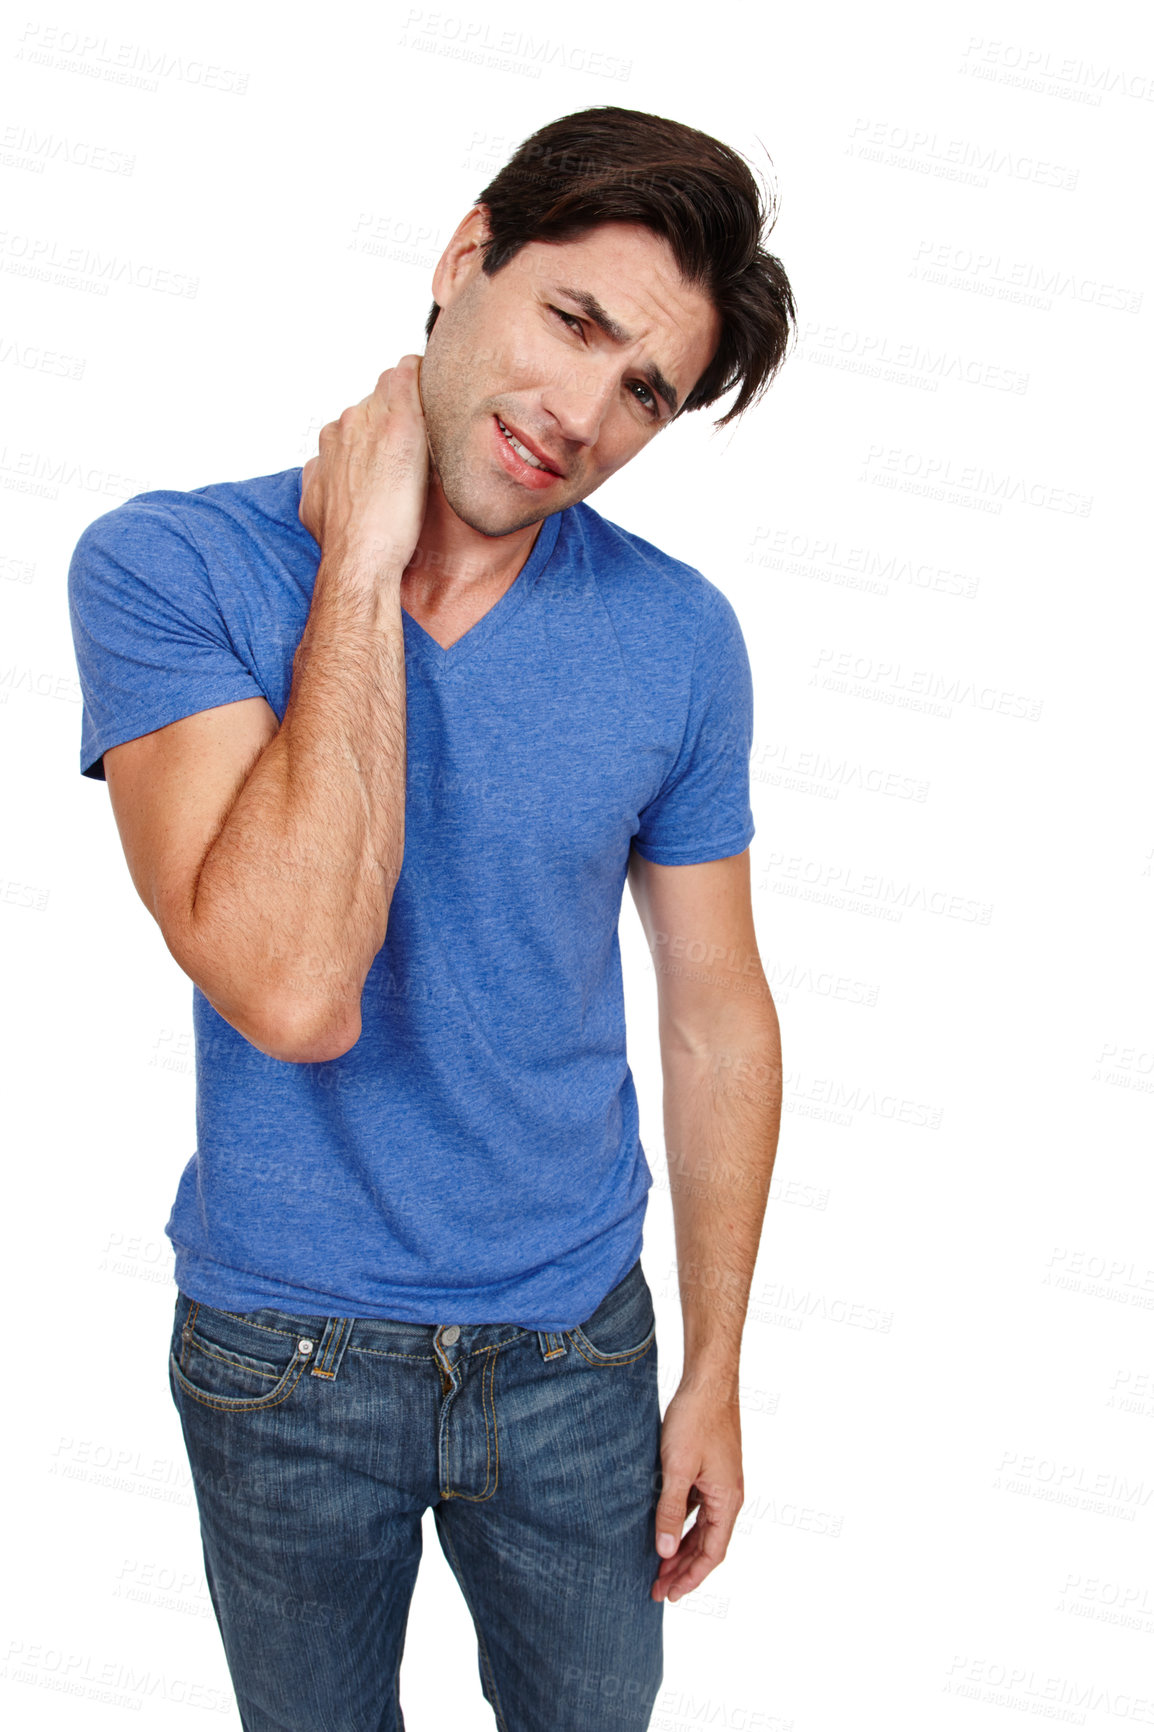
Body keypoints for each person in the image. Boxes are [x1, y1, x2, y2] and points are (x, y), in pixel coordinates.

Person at [67, 104, 792, 1732]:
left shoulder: (679, 639)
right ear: (468, 256)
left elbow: (713, 1014)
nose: (583, 415)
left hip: (577, 1357)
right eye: (575, 322)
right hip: (283, 1353)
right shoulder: (171, 566)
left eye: (644, 391)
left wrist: (717, 1372)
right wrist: (362, 564)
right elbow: (292, 989)